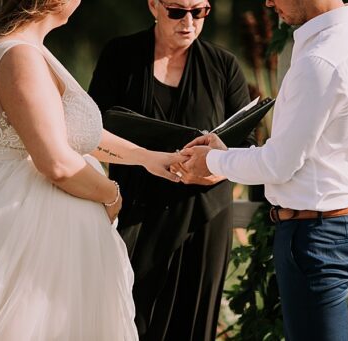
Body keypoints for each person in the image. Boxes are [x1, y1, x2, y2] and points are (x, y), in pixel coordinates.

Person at [0, 0, 184, 339]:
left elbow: (68, 132)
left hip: (39, 234)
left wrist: (146, 156)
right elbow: (57, 162)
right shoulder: (19, 56)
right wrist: (110, 194)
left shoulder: (28, 49)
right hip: (26, 240)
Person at [177, 0, 348, 339]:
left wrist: (212, 161)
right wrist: (225, 154)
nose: (268, 2)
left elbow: (280, 163)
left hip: (315, 235)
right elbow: (315, 150)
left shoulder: (320, 60)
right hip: (341, 220)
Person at [87, 0, 251, 338]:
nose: (188, 22)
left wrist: (216, 170)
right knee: (129, 321)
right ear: (154, 6)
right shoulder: (120, 56)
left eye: (199, 11)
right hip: (136, 212)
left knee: (194, 326)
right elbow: (91, 131)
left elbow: (247, 146)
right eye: (177, 11)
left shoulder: (225, 66)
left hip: (204, 216)